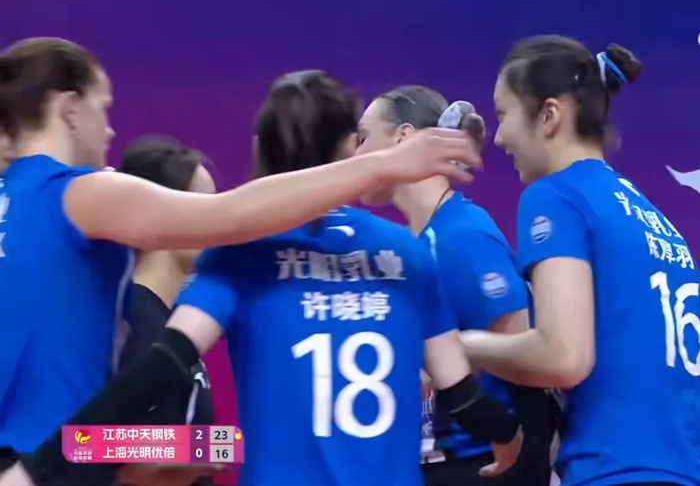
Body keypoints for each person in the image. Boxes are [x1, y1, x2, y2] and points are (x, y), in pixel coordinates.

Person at [9, 70, 524, 486]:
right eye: (202, 202)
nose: (225, 215)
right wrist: (217, 445)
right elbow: (123, 443)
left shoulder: (210, 291)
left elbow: (147, 426)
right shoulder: (144, 313)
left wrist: (224, 444)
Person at [458, 35, 700, 486]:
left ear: (548, 116)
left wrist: (457, 347)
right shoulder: (649, 215)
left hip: (614, 471)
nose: (500, 137)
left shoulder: (557, 195)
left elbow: (563, 355)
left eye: (503, 115)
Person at [357, 85, 555, 486]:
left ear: (403, 137)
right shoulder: (411, 245)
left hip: (483, 467)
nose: (354, 154)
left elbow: (528, 366)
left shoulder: (462, 236)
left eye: (363, 137)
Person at [116, 136, 218, 486]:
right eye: (207, 206)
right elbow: (96, 446)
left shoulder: (168, 320)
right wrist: (227, 445)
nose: (223, 221)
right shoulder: (131, 321)